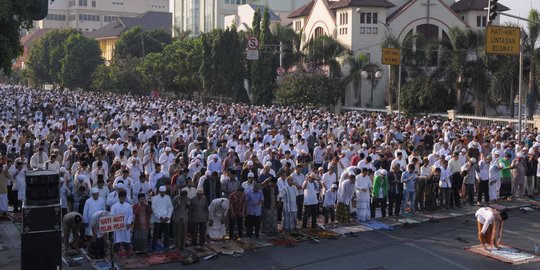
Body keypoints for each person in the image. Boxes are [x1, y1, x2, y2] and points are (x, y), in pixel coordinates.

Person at [151, 185, 173, 251]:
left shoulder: (168, 197)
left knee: (166, 234)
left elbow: (170, 207)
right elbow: (154, 209)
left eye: (164, 192)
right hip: (158, 219)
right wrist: (160, 217)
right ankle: (153, 248)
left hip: (166, 219)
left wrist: (168, 217)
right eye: (161, 192)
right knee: (156, 235)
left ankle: (166, 247)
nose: (163, 193)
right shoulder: (154, 198)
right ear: (159, 192)